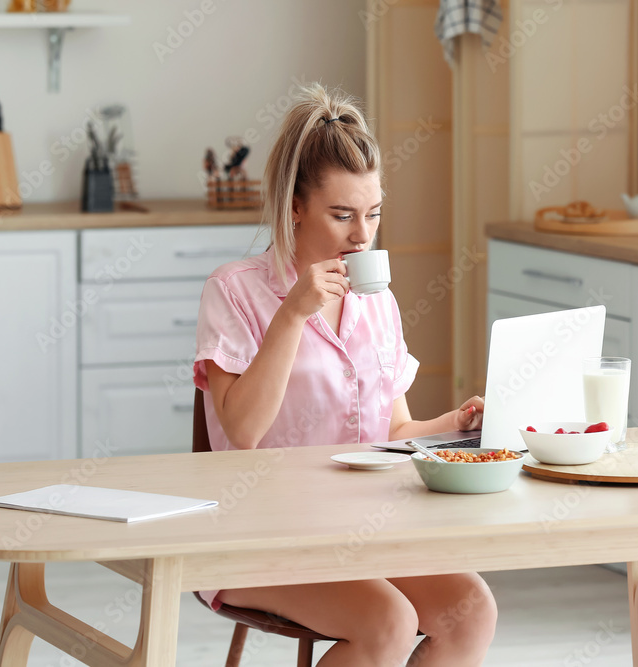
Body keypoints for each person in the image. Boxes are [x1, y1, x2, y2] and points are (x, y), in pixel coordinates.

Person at [193, 82, 496, 667]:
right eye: (342, 215)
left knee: (472, 611)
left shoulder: (376, 301)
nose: (362, 235)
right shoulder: (233, 291)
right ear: (295, 208)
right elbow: (243, 433)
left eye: (374, 214)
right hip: (254, 534)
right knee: (386, 622)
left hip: (363, 526)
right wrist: (292, 316)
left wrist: (454, 424)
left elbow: (395, 431)